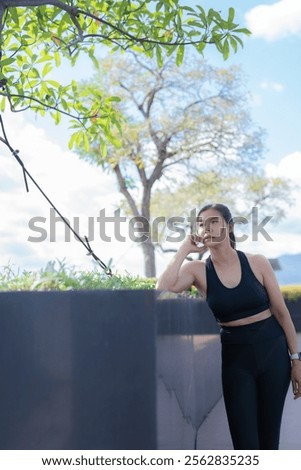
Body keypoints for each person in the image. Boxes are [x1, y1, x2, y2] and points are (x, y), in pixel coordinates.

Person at [156, 203, 301, 450]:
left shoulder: (257, 262)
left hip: (273, 353)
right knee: (245, 443)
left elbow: (281, 313)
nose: (206, 228)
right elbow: (163, 288)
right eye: (201, 223)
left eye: (213, 221)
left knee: (269, 441)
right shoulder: (198, 270)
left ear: (229, 226)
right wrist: (184, 249)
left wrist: (296, 360)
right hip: (236, 358)